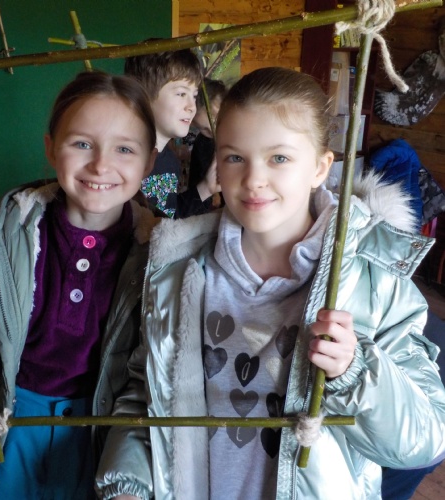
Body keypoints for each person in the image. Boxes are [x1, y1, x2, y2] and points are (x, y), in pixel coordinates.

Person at [95, 66, 445, 500]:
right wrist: (129, 484)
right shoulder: (178, 268)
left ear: (320, 167)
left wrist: (355, 373)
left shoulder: (372, 280)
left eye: (279, 158)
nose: (254, 179)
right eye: (234, 157)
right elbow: (147, 392)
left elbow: (426, 439)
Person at [0, 70, 158, 499]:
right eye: (81, 144)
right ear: (50, 148)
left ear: (149, 161)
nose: (101, 165)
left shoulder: (161, 253)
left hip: (102, 437)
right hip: (2, 430)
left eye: (124, 149)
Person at [124, 49, 220, 219]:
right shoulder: (124, 157)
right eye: (181, 94)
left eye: (194, 95)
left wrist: (207, 187)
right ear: (143, 96)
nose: (192, 107)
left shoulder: (169, 160)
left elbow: (166, 217)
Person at [187, 78, 227, 191]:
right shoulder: (202, 144)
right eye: (203, 129)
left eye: (216, 122)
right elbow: (194, 186)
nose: (213, 132)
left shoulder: (246, 137)